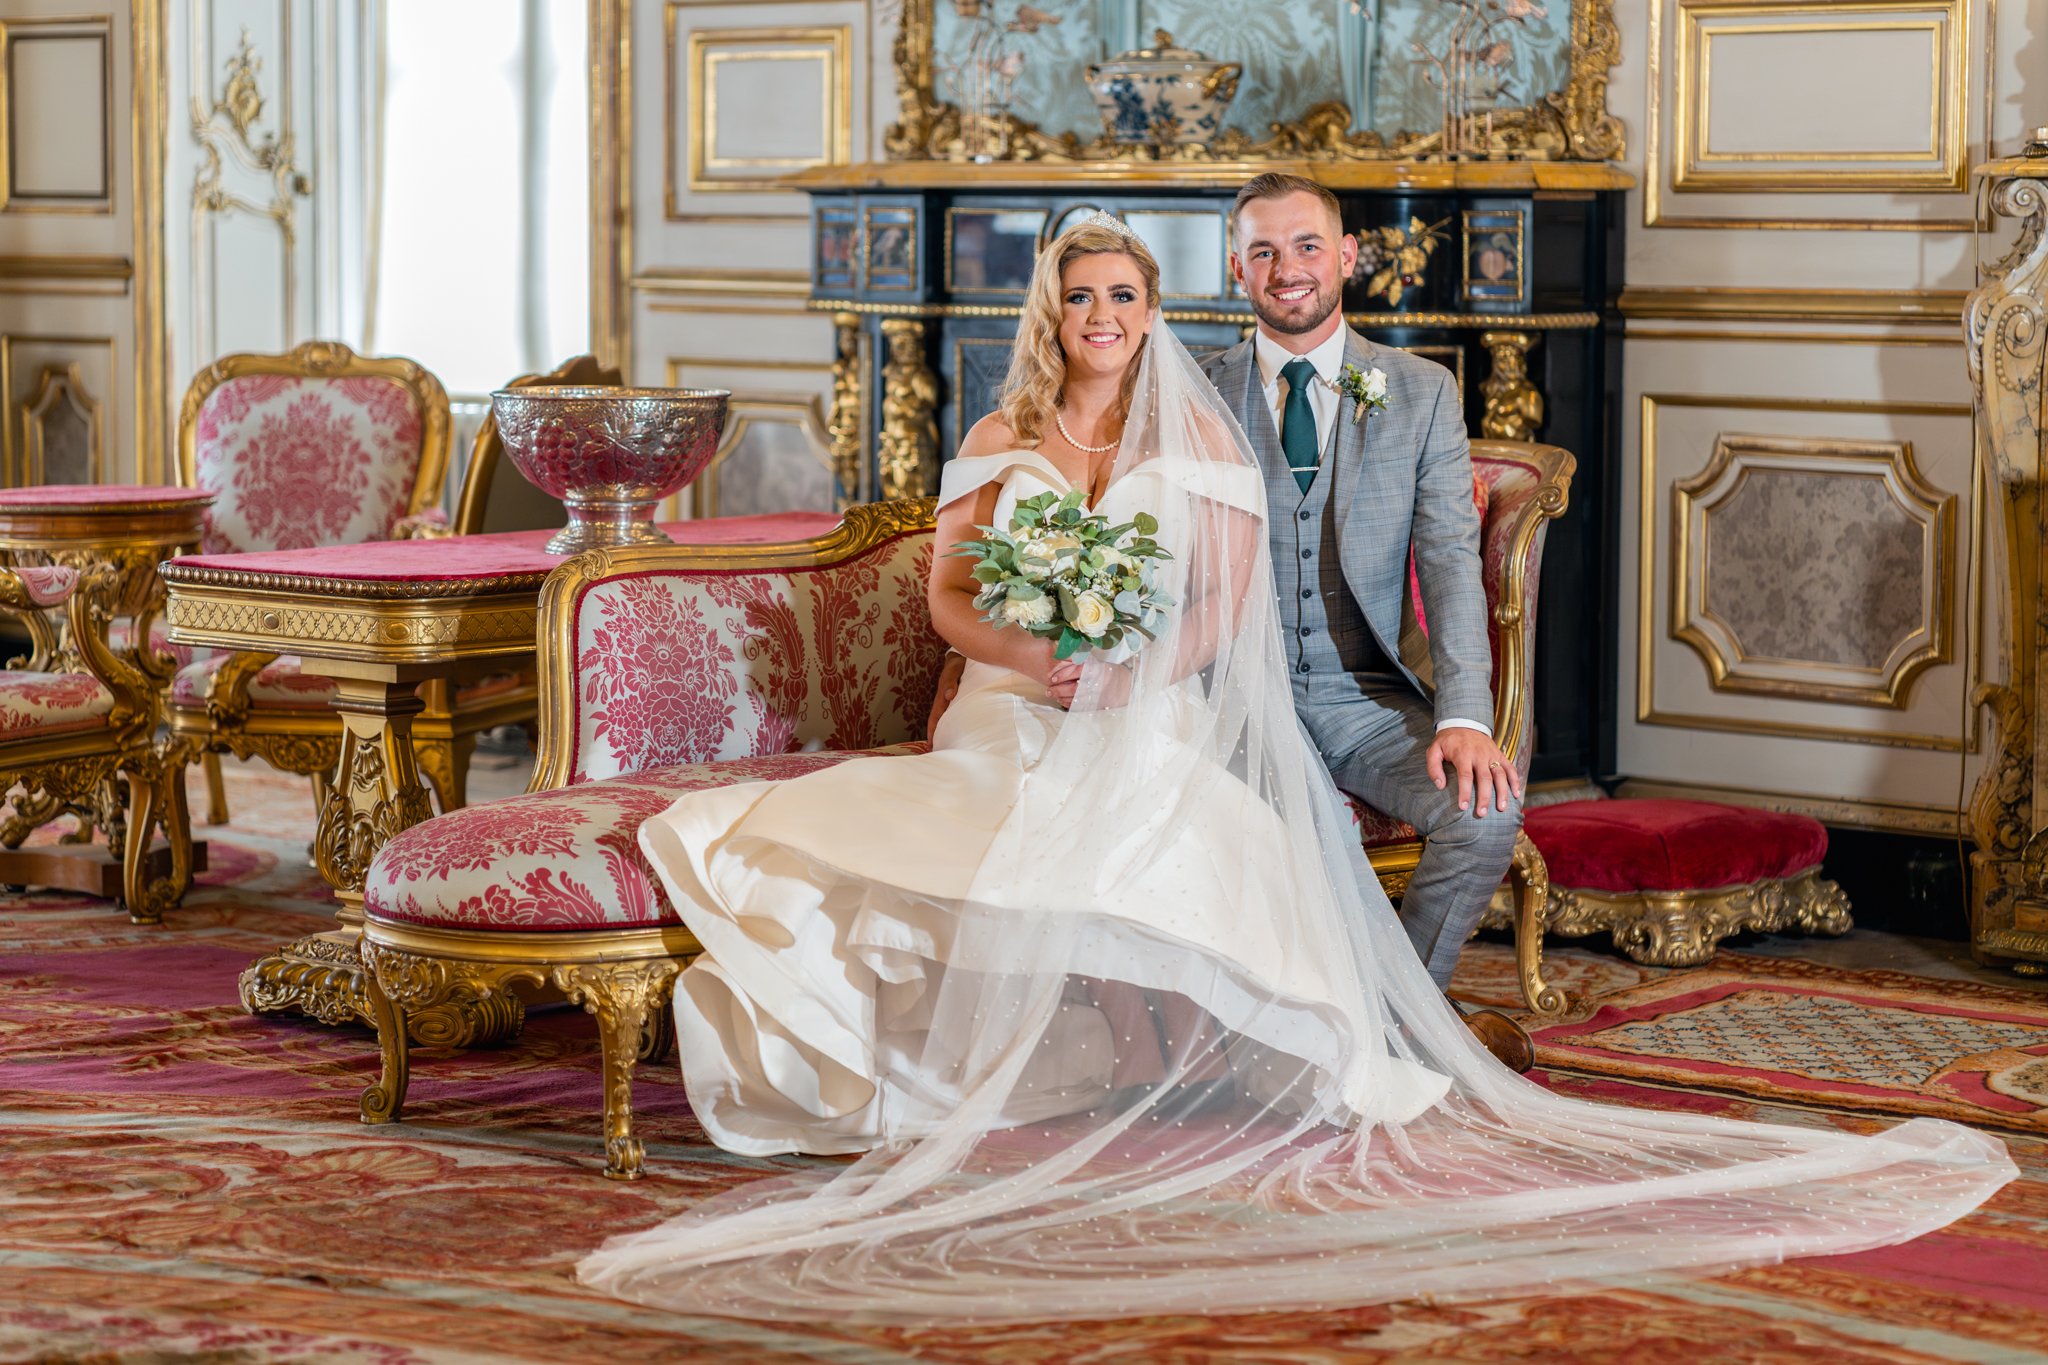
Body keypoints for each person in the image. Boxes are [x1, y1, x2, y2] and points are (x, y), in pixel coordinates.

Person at [578, 218, 2013, 1326]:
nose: (1098, 317)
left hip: (1157, 698)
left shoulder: (1199, 428)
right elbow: (954, 598)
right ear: (1051, 311)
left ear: (1154, 310)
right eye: (1078, 296)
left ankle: (1260, 1030)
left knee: (1166, 797)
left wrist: (1135, 671)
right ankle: (981, 1040)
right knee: (985, 788)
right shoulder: (997, 434)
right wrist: (1037, 661)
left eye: (1123, 296)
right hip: (1011, 697)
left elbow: (1227, 601)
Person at [928, 171, 1532, 1068]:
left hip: (1363, 697)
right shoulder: (1180, 394)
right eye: (1262, 252)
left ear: (1347, 257)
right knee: (1227, 826)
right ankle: (1315, 1041)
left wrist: (1466, 716)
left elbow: (1449, 563)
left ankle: (1396, 1020)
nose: (1286, 269)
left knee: (1485, 815)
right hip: (1218, 694)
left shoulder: (1422, 392)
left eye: (1306, 246)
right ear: (1235, 269)